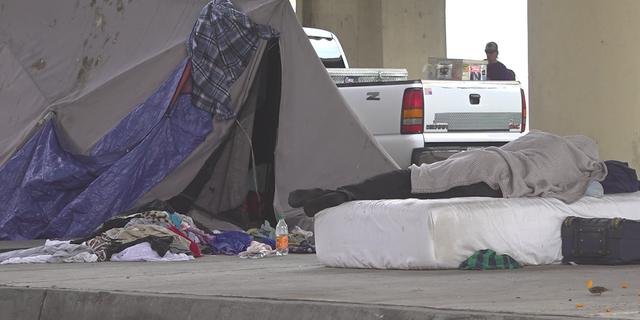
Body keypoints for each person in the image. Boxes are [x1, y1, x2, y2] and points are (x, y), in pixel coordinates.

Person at [289, 130, 618, 217]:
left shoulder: (544, 138)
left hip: (484, 157)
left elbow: (517, 144)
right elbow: (580, 186)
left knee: (416, 174)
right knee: (420, 187)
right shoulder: (580, 164)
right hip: (499, 174)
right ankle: (339, 195)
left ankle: (335, 191)